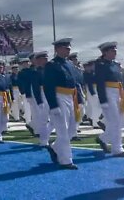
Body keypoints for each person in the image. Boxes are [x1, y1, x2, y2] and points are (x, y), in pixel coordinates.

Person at [43, 38, 79, 170]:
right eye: (65, 47)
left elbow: (75, 83)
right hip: (59, 96)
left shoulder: (69, 64)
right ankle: (66, 160)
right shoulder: (51, 65)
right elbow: (48, 86)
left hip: (70, 96)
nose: (68, 49)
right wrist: (54, 105)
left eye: (69, 47)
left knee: (71, 129)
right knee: (63, 130)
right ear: (57, 49)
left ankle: (55, 147)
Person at [94, 42, 124, 157]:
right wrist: (103, 100)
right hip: (108, 92)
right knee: (115, 122)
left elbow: (120, 81)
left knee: (122, 121)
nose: (115, 52)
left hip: (118, 92)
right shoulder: (100, 64)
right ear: (105, 52)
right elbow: (100, 83)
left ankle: (102, 138)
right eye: (112, 51)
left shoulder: (115, 64)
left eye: (115, 50)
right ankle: (117, 149)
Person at [31, 51, 53, 147]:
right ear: (39, 61)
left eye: (46, 58)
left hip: (53, 94)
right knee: (44, 120)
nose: (46, 60)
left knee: (55, 120)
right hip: (43, 94)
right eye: (43, 58)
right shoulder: (36, 72)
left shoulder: (52, 69)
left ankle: (44, 136)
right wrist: (39, 101)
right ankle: (44, 140)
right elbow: (36, 88)